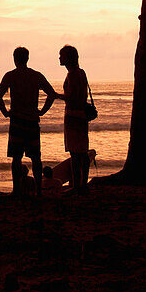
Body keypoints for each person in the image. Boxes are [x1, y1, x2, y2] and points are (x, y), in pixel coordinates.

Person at [0, 46, 56, 195]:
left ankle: (17, 189)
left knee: (16, 158)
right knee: (35, 157)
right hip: (31, 121)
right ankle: (38, 190)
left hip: (17, 121)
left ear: (15, 59)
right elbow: (52, 94)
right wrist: (42, 111)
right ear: (27, 58)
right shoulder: (36, 75)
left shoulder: (10, 76)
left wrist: (5, 112)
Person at [56, 45, 92, 192]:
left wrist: (55, 95)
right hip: (81, 115)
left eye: (61, 55)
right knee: (82, 152)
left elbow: (71, 97)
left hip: (73, 116)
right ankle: (82, 183)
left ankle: (77, 185)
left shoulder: (72, 74)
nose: (59, 58)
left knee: (75, 153)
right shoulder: (81, 72)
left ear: (68, 58)